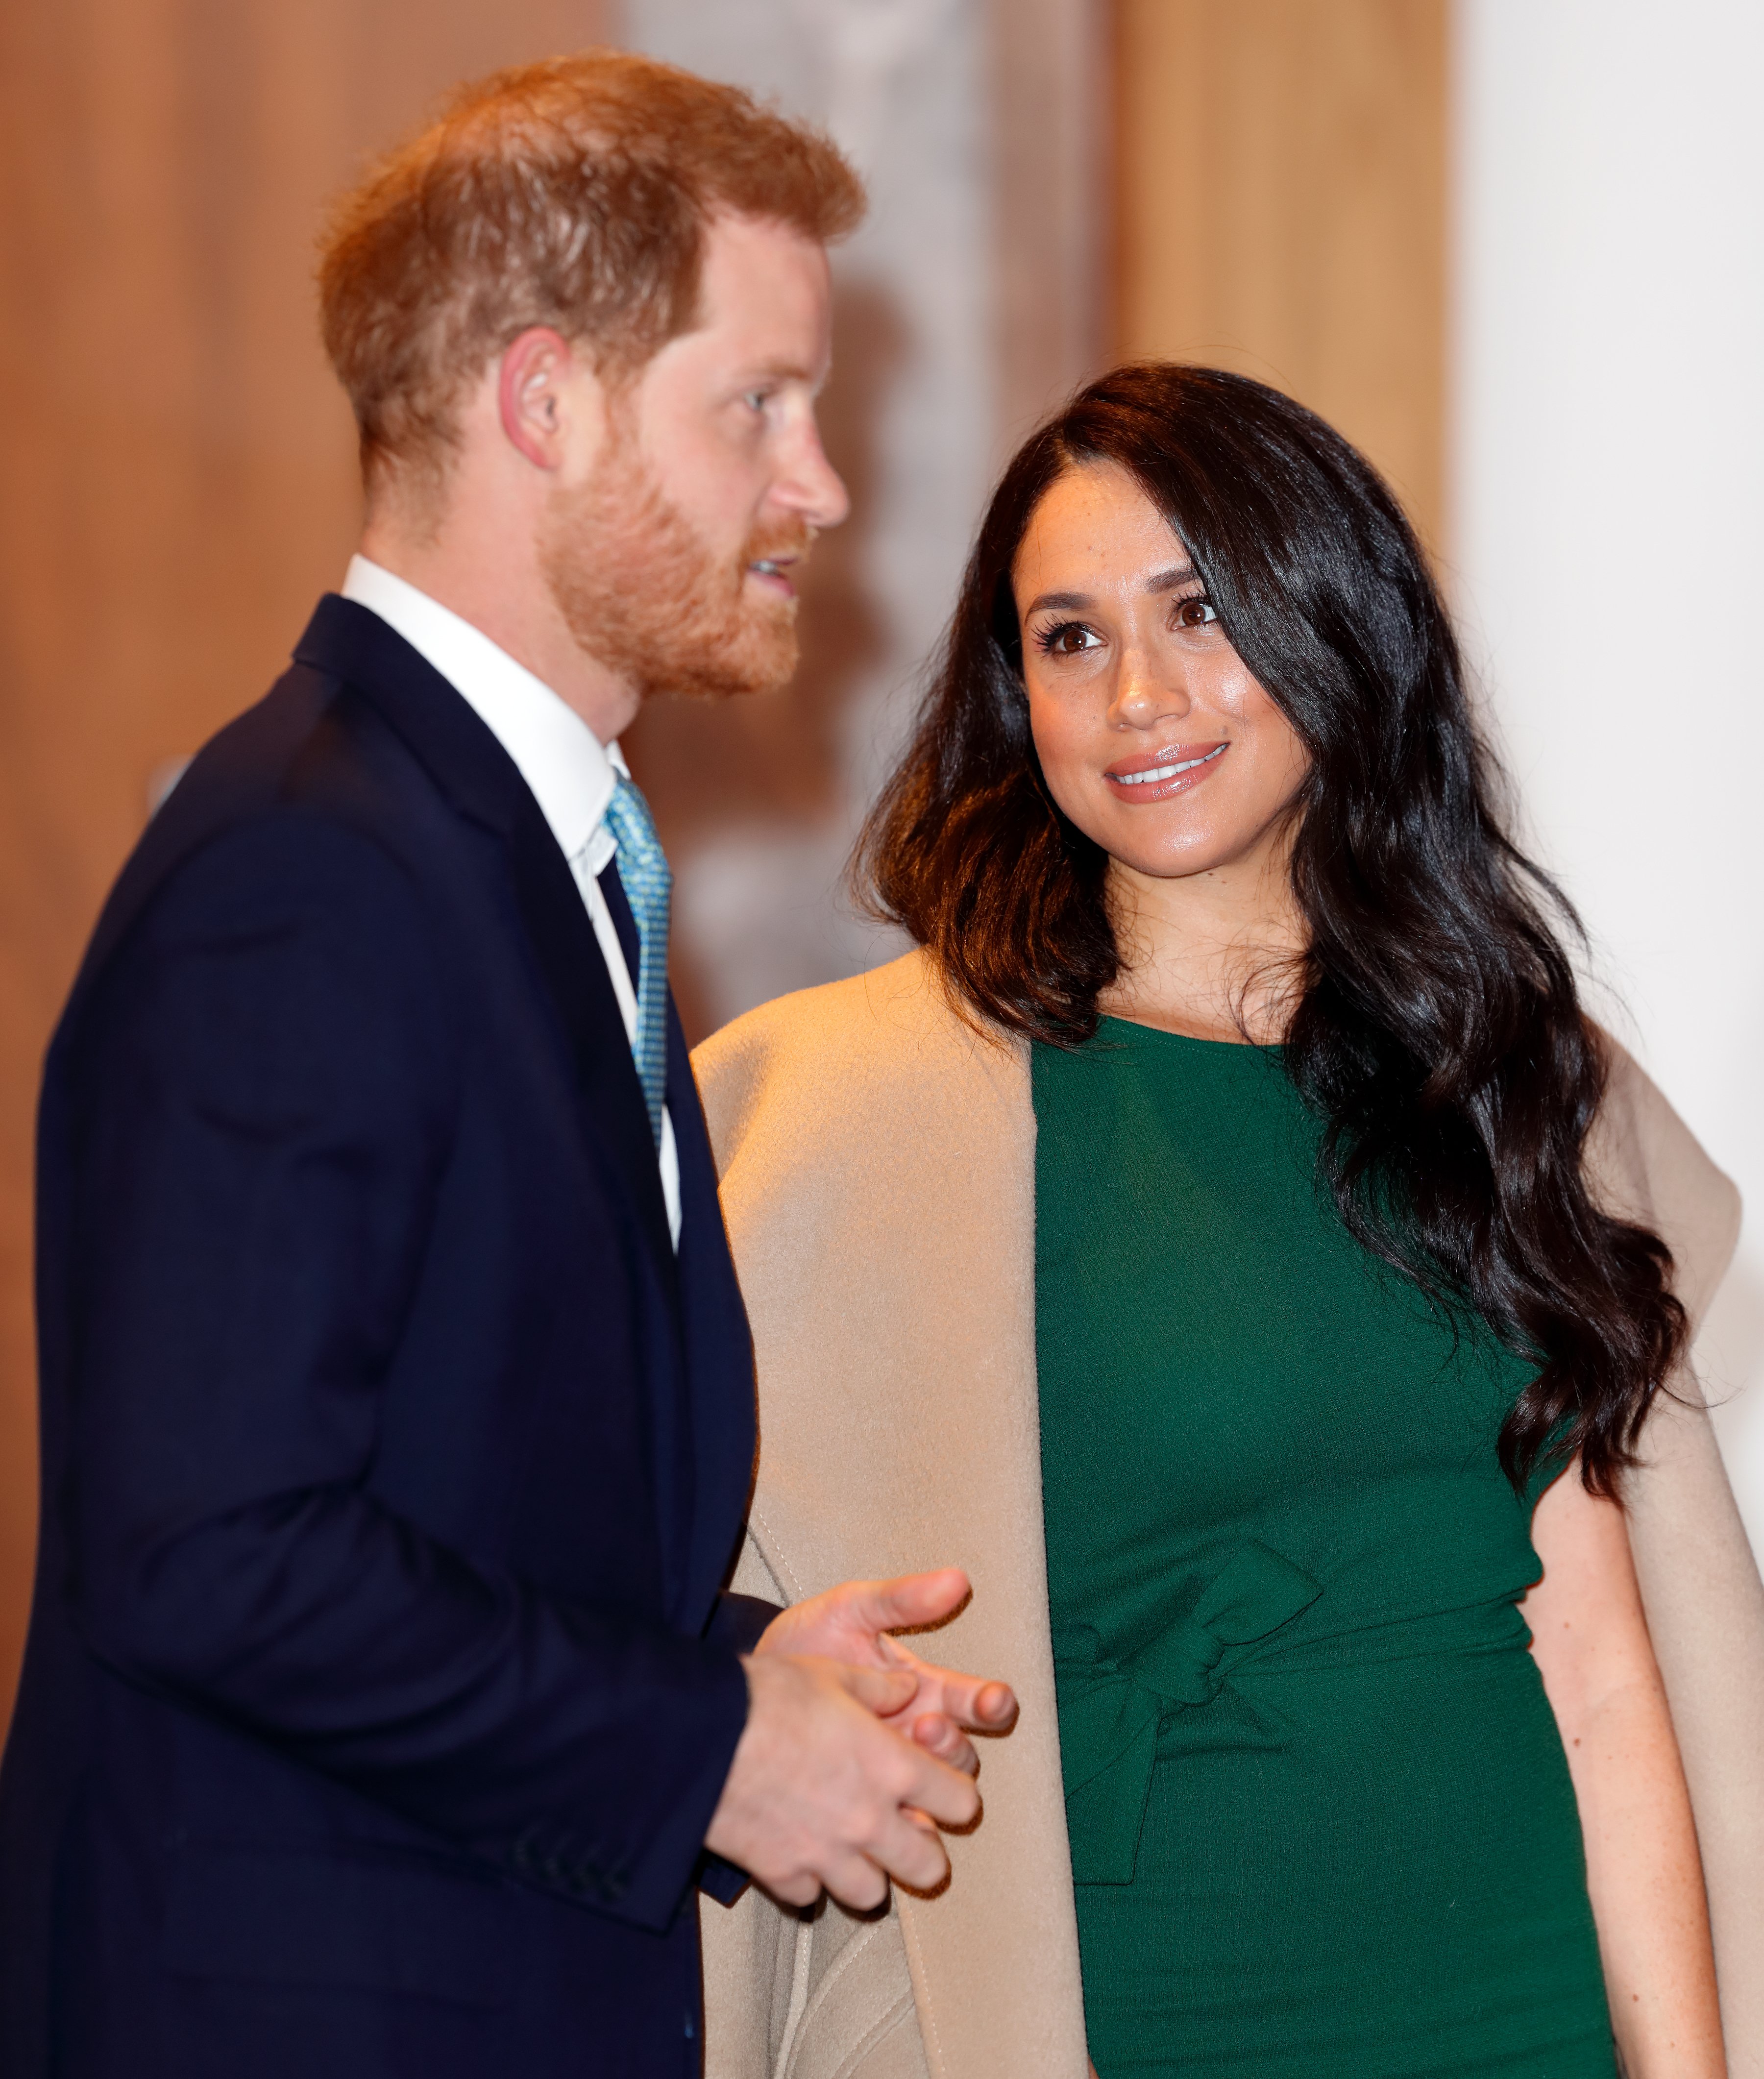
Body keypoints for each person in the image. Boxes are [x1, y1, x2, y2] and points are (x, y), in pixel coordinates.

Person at [0, 52, 1019, 2079]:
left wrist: (730, 1668)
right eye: (760, 403)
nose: (821, 484)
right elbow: (211, 1546)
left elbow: (446, 1499)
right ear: (542, 403)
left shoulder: (501, 845)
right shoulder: (307, 866)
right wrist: (702, 1747)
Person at [694, 364, 1764, 2078]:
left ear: (1334, 626)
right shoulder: (856, 1114)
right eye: (1070, 638)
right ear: (1011, 689)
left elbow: (1603, 1669)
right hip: (1149, 2004)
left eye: (1201, 613)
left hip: (1521, 1995)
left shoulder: (1503, 1071)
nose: (1141, 698)